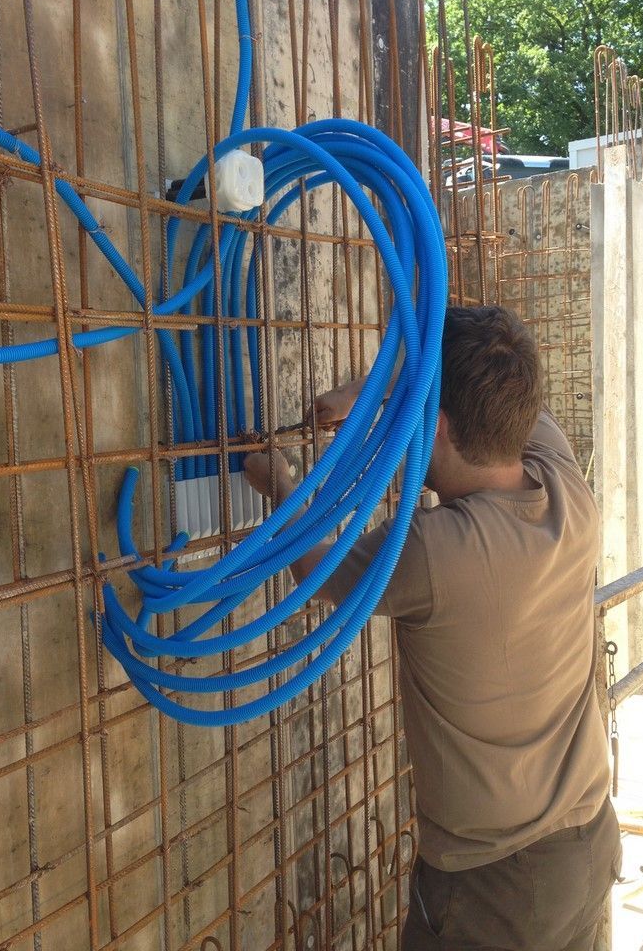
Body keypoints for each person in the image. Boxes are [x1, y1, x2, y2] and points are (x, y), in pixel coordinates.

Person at [245, 305, 620, 951]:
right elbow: (484, 372)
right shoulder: (565, 485)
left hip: (492, 888)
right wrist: (371, 396)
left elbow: (323, 566)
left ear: (436, 426)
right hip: (585, 849)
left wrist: (276, 481)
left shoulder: (434, 554)